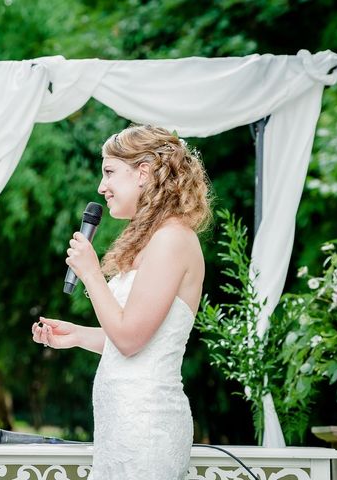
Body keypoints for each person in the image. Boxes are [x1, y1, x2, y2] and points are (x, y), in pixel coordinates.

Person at [32, 124, 211, 479]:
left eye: (110, 172)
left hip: (147, 426)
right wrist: (79, 336)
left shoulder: (173, 239)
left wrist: (92, 274)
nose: (102, 187)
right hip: (120, 426)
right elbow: (134, 335)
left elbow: (130, 340)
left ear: (143, 173)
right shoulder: (152, 239)